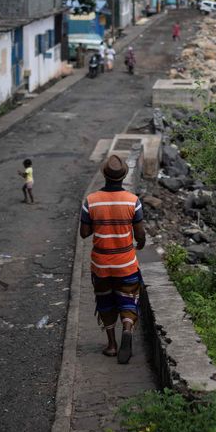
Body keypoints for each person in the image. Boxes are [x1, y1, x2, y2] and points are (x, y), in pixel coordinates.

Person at [80, 155, 146, 363]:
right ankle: (127, 328)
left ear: (104, 174)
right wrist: (141, 243)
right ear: (124, 176)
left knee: (105, 302)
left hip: (101, 265)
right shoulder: (132, 201)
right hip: (125, 263)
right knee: (128, 297)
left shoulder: (90, 201)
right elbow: (140, 234)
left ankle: (111, 345)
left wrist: (97, 221)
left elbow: (84, 233)